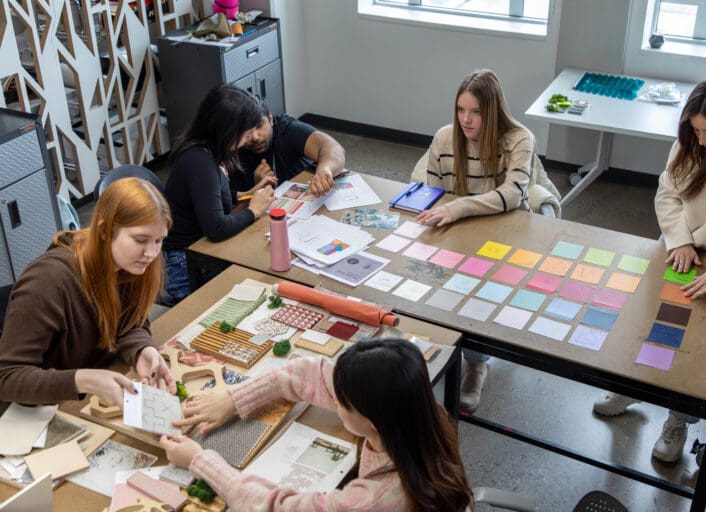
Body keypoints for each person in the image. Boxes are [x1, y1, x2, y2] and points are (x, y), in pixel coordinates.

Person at [593, 76, 706, 464]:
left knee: (697, 350)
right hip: (681, 249)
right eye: (696, 130)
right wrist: (679, 239)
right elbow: (667, 193)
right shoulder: (692, 142)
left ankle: (678, 419)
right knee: (650, 323)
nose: (704, 140)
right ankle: (634, 384)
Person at [160, 338, 473, 512]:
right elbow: (312, 372)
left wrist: (199, 460)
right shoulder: (419, 413)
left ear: (372, 420)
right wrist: (235, 398)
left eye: (340, 402)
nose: (333, 400)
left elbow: (272, 508)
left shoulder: (375, 499)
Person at [414, 69, 560, 413]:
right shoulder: (445, 138)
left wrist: (461, 206)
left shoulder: (519, 138)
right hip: (461, 228)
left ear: (492, 111)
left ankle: (476, 364)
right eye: (461, 110)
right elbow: (431, 190)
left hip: (507, 230)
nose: (466, 119)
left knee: (482, 295)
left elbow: (513, 194)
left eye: (476, 112)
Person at [0, 177, 175, 414]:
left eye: (159, 240)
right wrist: (82, 380)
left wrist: (143, 349)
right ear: (104, 230)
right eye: (141, 240)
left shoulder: (129, 262)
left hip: (80, 400)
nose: (152, 253)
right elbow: (8, 376)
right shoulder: (48, 280)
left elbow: (131, 320)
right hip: (32, 413)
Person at [162, 85, 278, 304]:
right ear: (228, 130)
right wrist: (254, 210)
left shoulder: (207, 151)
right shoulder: (199, 162)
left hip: (200, 250)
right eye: (247, 132)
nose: (250, 138)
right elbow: (216, 228)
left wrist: (247, 194)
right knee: (258, 281)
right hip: (184, 265)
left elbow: (209, 195)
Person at [231, 95, 346, 198]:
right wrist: (256, 188)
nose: (255, 137)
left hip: (310, 196)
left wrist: (325, 169)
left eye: (259, 125)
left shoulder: (285, 128)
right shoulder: (232, 149)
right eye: (247, 132)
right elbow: (229, 208)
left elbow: (333, 147)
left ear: (270, 119)